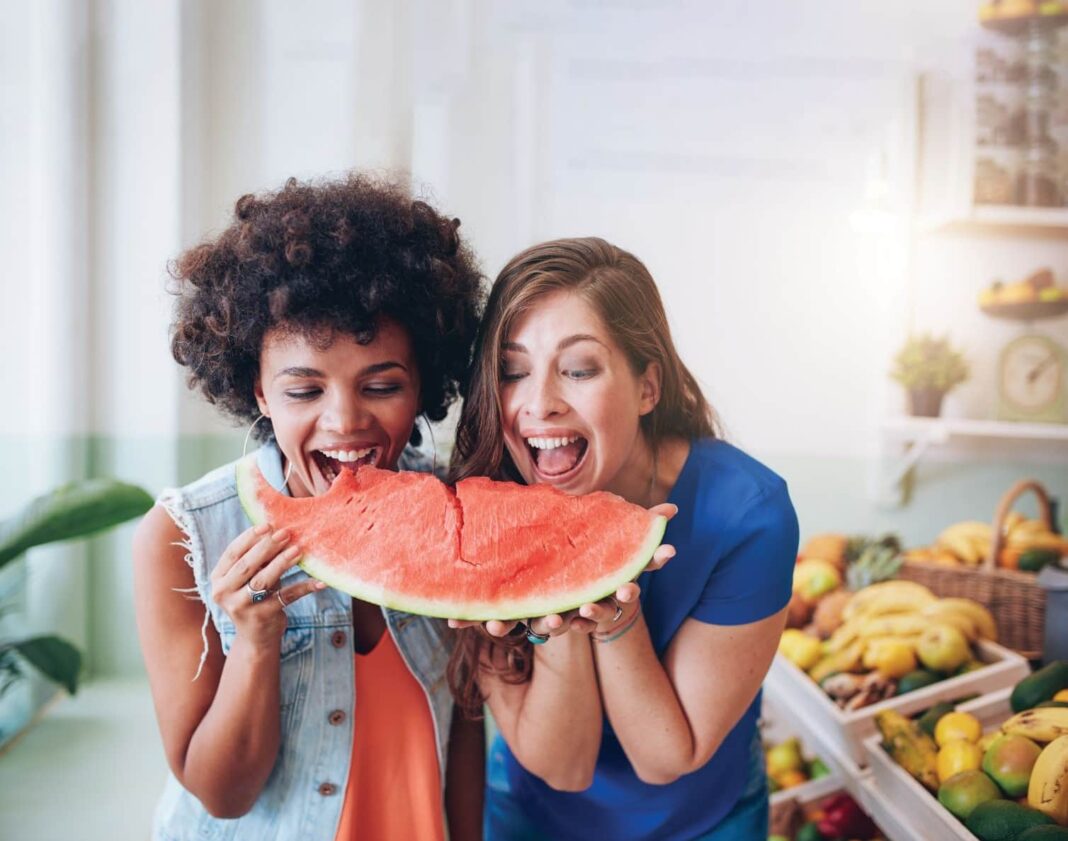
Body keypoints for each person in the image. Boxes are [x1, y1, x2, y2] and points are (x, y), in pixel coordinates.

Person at [132, 173, 486, 841]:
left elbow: (465, 734)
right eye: (303, 390)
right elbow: (221, 793)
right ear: (257, 390)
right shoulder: (184, 537)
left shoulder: (451, 517)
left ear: (424, 385)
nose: (345, 420)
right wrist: (258, 642)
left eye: (382, 384)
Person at [447, 237, 799, 841]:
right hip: (536, 816)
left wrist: (614, 619)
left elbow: (668, 755)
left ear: (647, 387)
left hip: (704, 822)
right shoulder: (476, 504)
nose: (540, 403)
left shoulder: (748, 514)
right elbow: (564, 766)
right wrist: (560, 579)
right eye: (512, 372)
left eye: (578, 370)